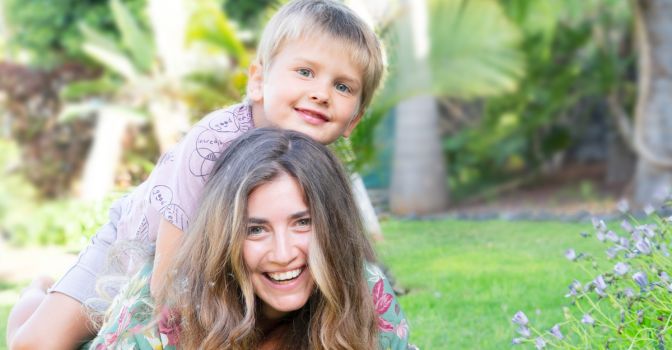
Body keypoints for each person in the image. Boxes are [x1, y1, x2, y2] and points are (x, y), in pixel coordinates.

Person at [6, 1, 392, 349]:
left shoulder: (315, 169)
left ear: (353, 120)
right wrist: (162, 326)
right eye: (305, 71)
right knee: (39, 345)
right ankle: (37, 296)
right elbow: (166, 272)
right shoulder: (212, 144)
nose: (322, 93)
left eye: (342, 86)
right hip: (135, 245)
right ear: (257, 82)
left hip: (207, 269)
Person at [86, 128, 411, 349]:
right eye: (255, 229)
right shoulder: (170, 301)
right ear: (224, 236)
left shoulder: (365, 290)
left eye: (302, 223)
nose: (283, 254)